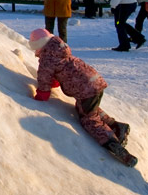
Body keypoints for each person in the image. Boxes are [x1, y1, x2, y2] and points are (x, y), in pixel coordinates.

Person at [28, 30, 136, 167]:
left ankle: (113, 144)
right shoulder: (60, 50)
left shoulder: (47, 59)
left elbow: (44, 81)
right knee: (88, 108)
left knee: (89, 120)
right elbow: (61, 72)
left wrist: (40, 97)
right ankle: (117, 126)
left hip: (86, 90)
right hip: (94, 83)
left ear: (38, 45)